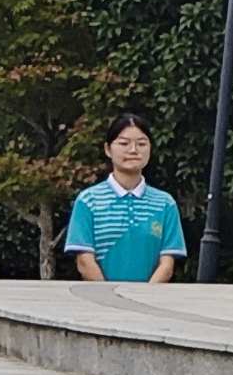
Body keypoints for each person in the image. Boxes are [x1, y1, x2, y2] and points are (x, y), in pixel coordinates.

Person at [63, 112, 188, 283]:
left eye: (141, 144)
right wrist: (110, 296)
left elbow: (166, 265)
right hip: (99, 297)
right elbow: (85, 262)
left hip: (150, 297)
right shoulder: (88, 201)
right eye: (124, 143)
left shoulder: (165, 204)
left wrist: (144, 296)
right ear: (108, 149)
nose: (133, 150)